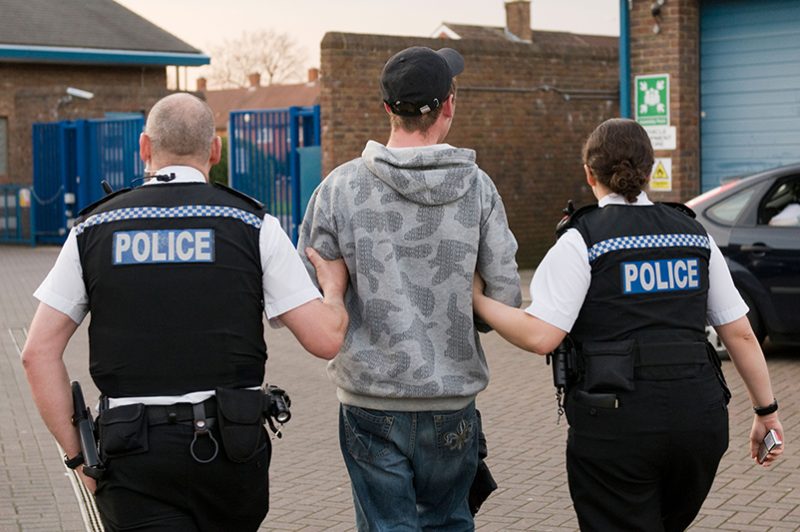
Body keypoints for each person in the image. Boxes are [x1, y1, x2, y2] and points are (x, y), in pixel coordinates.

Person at [21, 93, 349, 531]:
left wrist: (80, 458)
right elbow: (326, 339)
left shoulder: (93, 230)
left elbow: (36, 354)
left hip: (132, 458)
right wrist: (333, 287)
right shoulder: (255, 226)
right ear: (215, 149)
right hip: (230, 453)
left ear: (144, 148)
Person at [473, 118, 785, 531]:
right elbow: (741, 333)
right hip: (699, 422)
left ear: (589, 174)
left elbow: (541, 335)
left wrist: (477, 300)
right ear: (650, 170)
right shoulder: (694, 235)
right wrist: (767, 411)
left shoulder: (583, 239)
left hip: (616, 427)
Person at [297, 46, 522, 530]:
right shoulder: (479, 190)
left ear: (386, 110)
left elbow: (306, 296)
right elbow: (504, 302)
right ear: (449, 105)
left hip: (370, 403)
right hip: (451, 402)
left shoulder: (338, 190)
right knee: (449, 522)